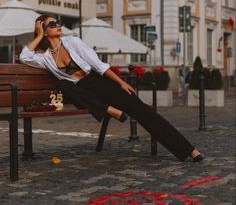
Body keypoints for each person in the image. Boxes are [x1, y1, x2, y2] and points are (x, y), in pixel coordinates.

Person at [19, 15, 204, 163]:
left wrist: (121, 83)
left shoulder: (73, 42)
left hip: (97, 83)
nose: (58, 25)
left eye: (58, 22)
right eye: (52, 24)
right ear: (44, 30)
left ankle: (189, 150)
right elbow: (24, 57)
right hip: (79, 92)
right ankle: (108, 110)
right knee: (63, 83)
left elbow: (98, 65)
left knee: (142, 111)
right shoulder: (43, 57)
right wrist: (38, 36)